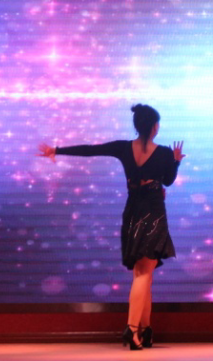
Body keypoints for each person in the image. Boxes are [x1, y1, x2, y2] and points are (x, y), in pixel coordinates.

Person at [38, 104, 183, 350]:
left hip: (132, 211)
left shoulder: (123, 147)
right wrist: (176, 162)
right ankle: (132, 329)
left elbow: (90, 150)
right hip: (153, 213)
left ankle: (146, 330)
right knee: (144, 273)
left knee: (143, 273)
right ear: (154, 127)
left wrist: (57, 150)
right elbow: (168, 181)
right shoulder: (165, 153)